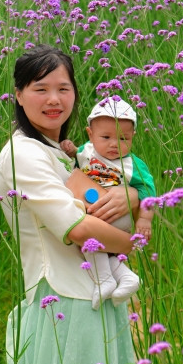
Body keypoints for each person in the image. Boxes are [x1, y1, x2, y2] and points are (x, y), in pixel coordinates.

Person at [0, 45, 146, 364]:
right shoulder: (22, 155)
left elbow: (110, 206)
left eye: (64, 88)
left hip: (92, 302)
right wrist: (128, 242)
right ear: (19, 95)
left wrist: (131, 195)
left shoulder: (64, 155)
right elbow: (80, 229)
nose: (54, 99)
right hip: (62, 304)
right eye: (40, 88)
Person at [60, 98, 156, 308]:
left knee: (90, 240)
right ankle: (126, 277)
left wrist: (145, 220)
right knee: (98, 245)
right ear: (90, 134)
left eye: (124, 138)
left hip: (118, 215)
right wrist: (70, 150)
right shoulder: (87, 150)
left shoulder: (133, 164)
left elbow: (148, 191)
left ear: (133, 137)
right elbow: (77, 160)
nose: (115, 144)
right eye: (106, 137)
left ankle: (104, 280)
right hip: (96, 209)